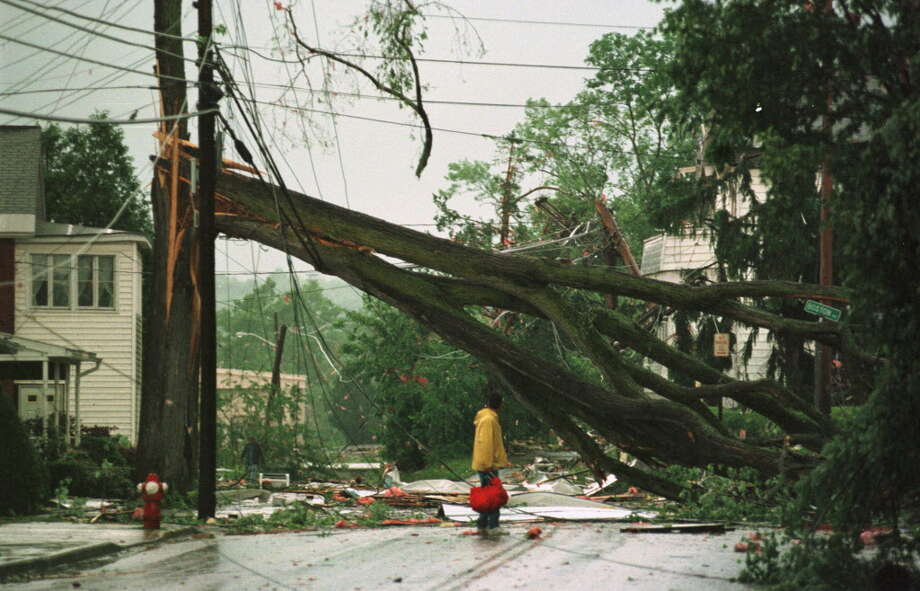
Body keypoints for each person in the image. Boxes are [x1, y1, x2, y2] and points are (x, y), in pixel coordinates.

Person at [471, 392, 511, 537]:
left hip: (486, 463)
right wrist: (488, 464)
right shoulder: (489, 420)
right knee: (493, 497)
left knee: (488, 497)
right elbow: (486, 443)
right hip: (488, 465)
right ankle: (493, 526)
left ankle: (482, 525)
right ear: (500, 404)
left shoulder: (487, 417)